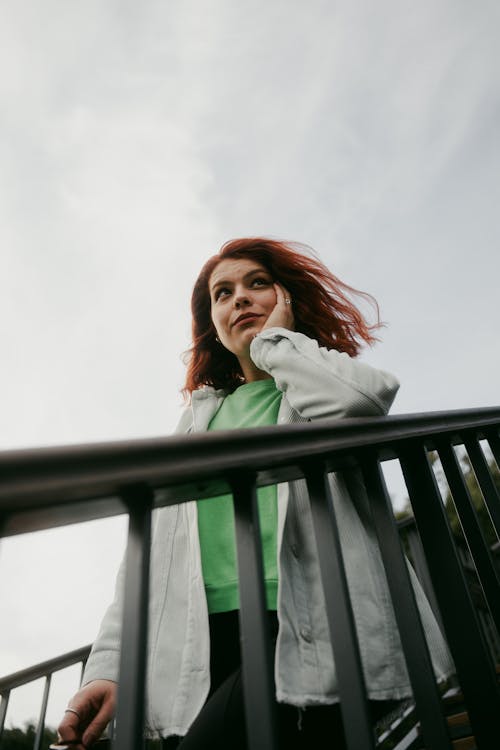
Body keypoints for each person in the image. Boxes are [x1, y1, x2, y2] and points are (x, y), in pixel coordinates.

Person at [56, 238, 453, 749]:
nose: (238, 298)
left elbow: (364, 399)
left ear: (286, 299)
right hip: (202, 641)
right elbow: (146, 559)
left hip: (313, 623)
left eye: (256, 284)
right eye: (222, 293)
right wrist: (108, 666)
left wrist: (276, 343)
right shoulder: (196, 423)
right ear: (213, 323)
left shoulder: (314, 384)